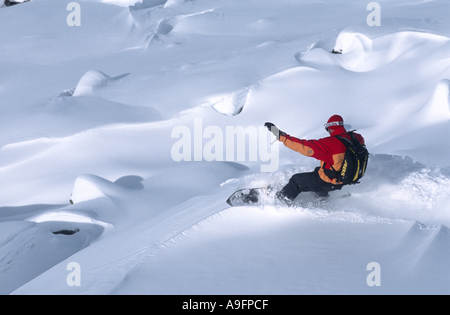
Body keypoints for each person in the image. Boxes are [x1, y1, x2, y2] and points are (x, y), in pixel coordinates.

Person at [265, 115, 365, 203]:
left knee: (296, 181)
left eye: (327, 129)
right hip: (345, 178)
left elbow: (303, 146)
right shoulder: (357, 138)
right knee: (319, 171)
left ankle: (279, 201)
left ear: (330, 127)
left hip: (330, 181)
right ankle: (321, 198)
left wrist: (280, 135)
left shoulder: (331, 143)